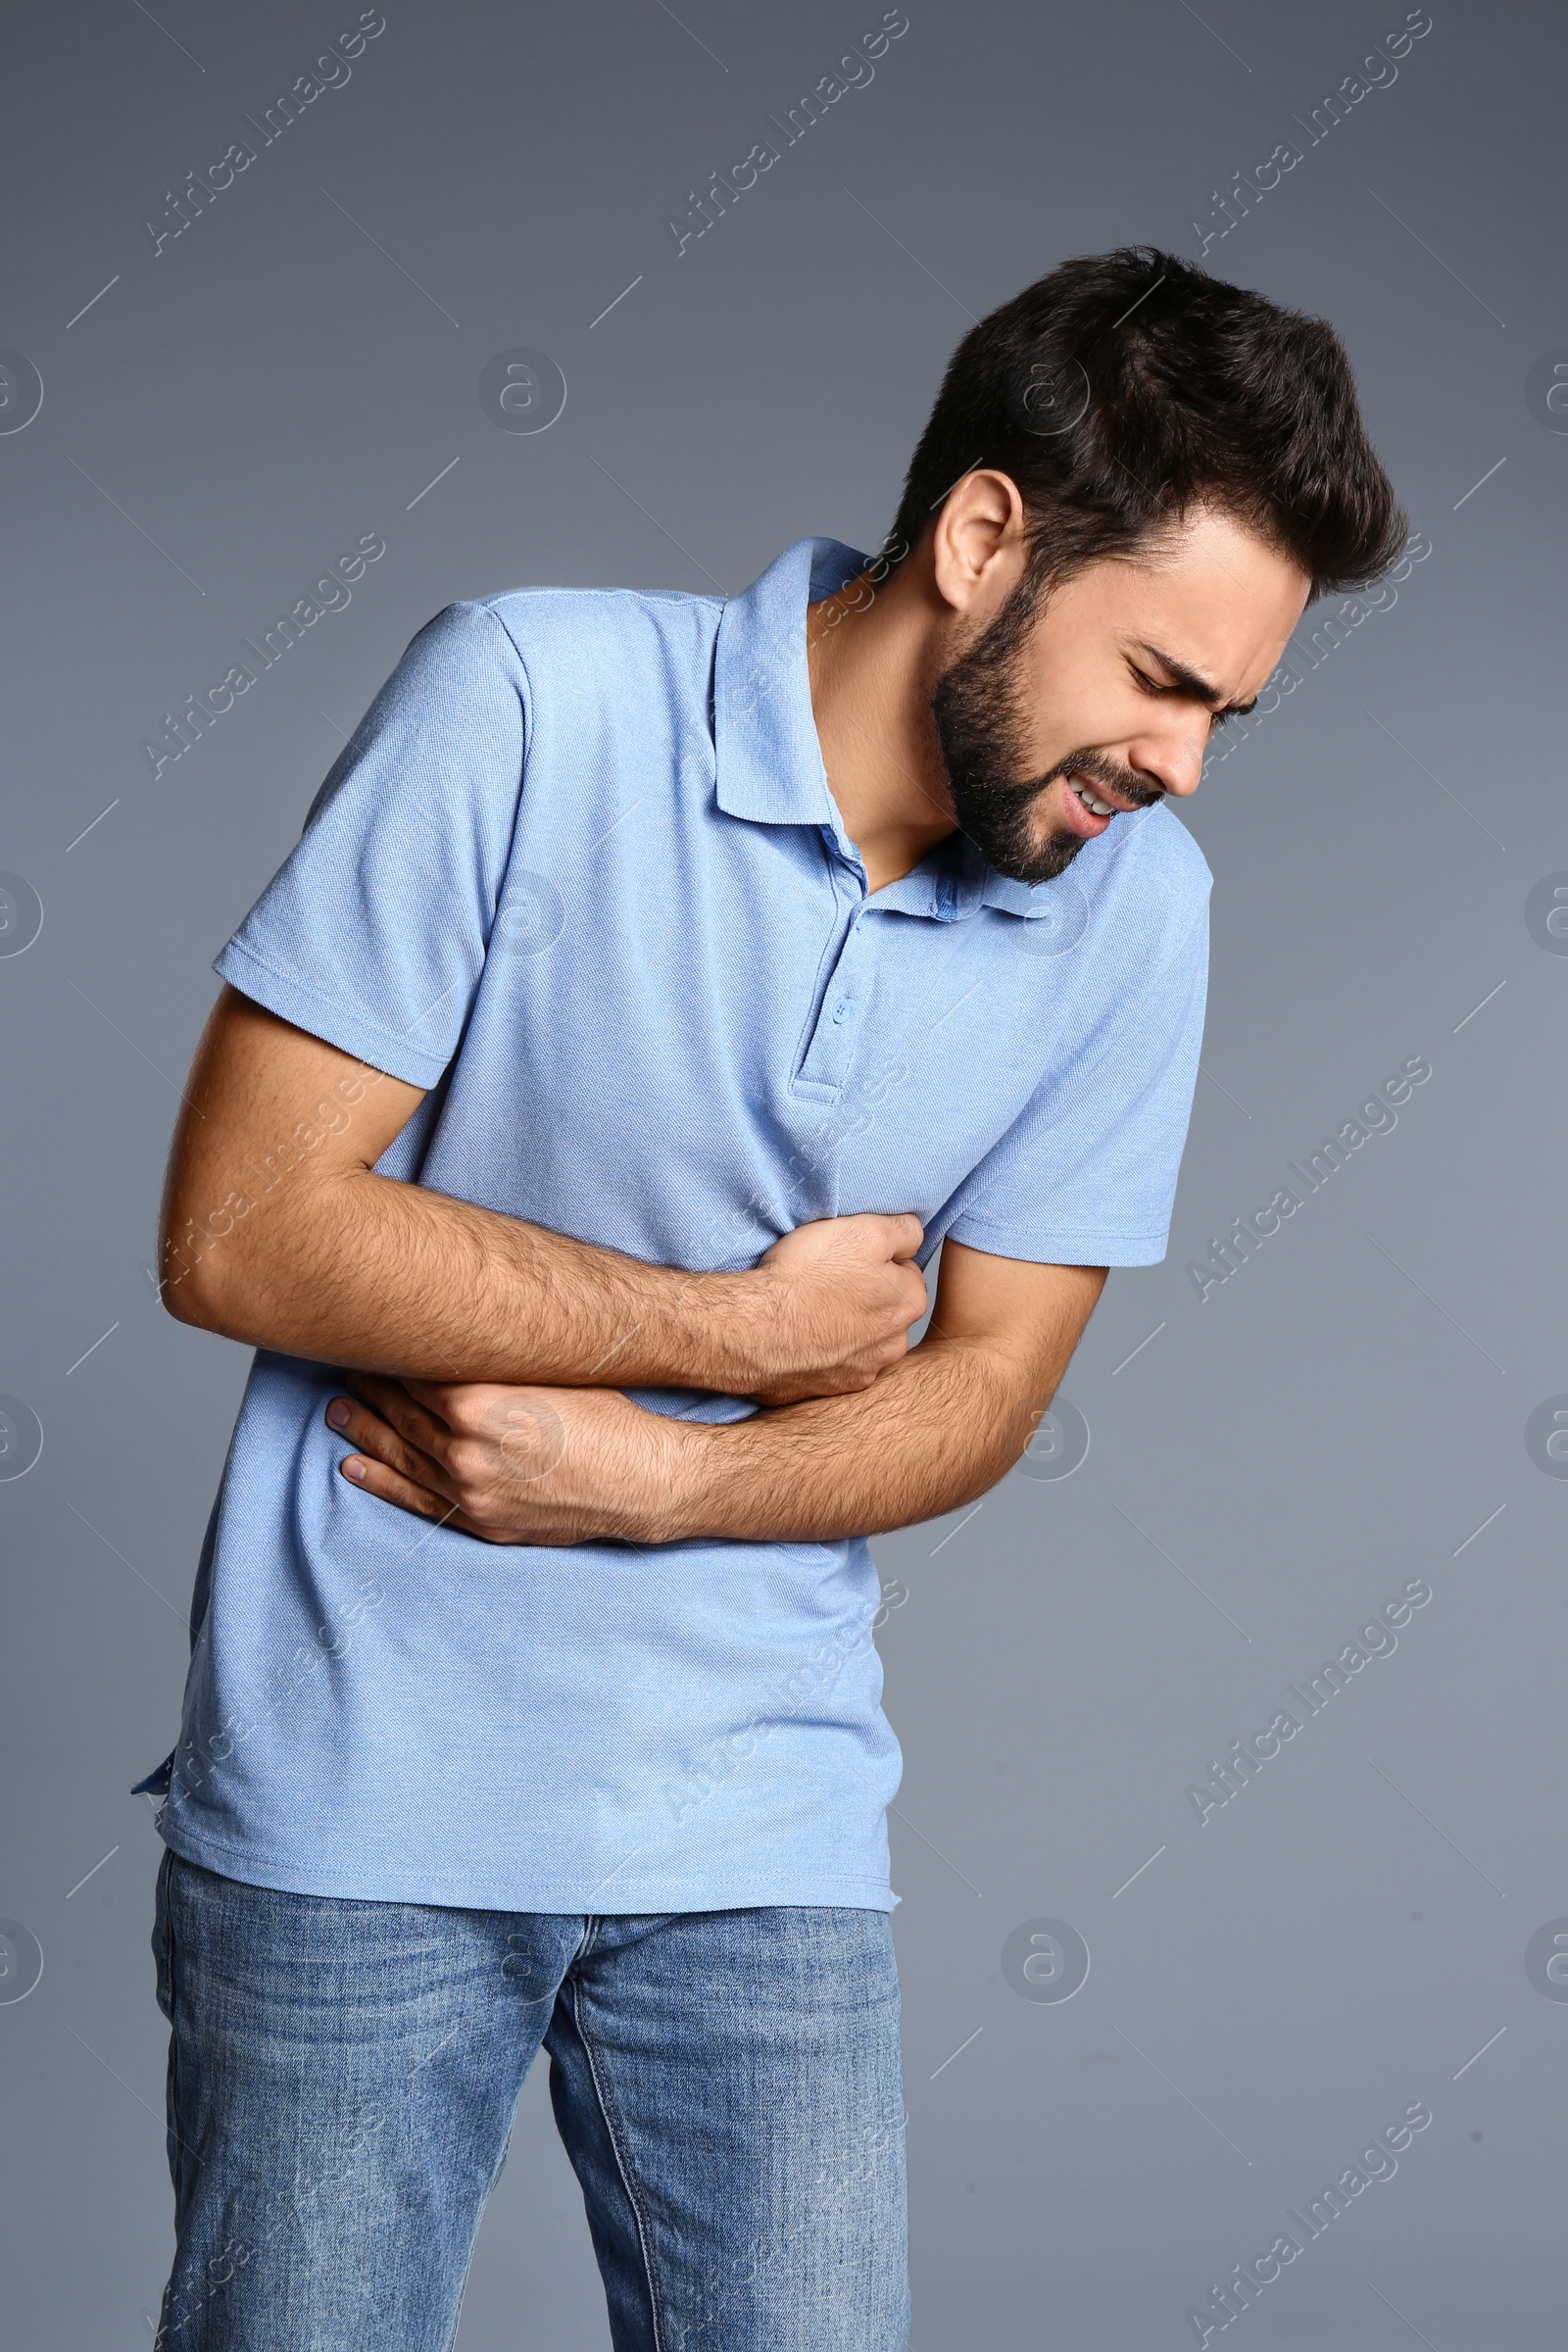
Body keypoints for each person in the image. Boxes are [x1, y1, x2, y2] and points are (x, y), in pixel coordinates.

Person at [137, 245, 1403, 2349]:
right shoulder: (532, 700)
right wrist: (723, 1338)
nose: (1179, 767)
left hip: (762, 1822)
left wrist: (654, 1483)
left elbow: (990, 1385)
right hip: (354, 1797)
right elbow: (241, 1231)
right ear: (984, 536)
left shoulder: (1133, 912)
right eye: (1160, 683)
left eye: (1223, 717)